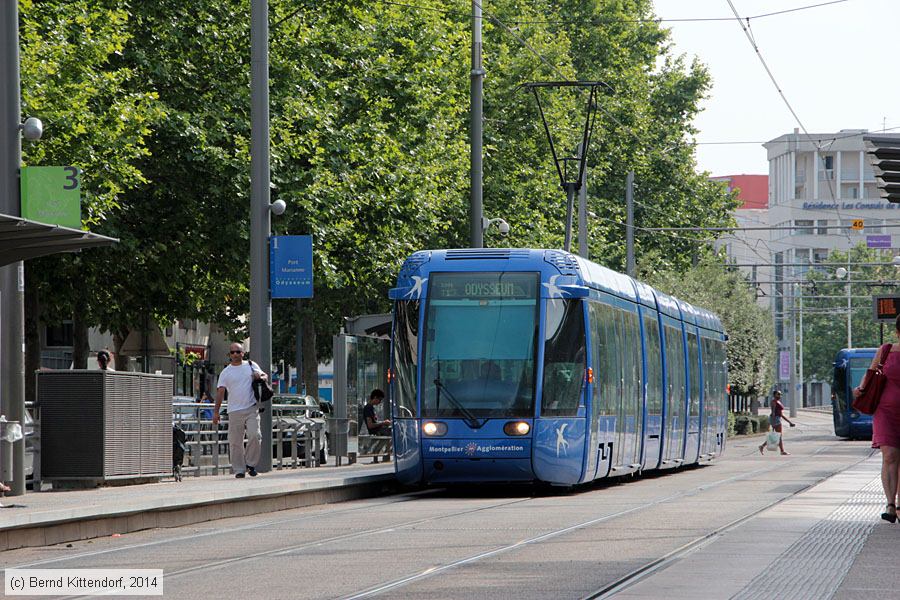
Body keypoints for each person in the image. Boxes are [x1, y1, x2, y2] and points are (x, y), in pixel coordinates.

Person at [854, 316, 900, 523]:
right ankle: (890, 504)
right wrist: (862, 389)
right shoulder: (886, 350)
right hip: (886, 411)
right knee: (890, 455)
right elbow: (872, 373)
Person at [214, 343, 267, 478]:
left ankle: (251, 464)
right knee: (235, 441)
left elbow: (265, 376)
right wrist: (216, 412)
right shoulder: (226, 372)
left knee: (255, 435)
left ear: (243, 353)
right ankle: (239, 469)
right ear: (229, 355)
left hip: (251, 408)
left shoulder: (250, 365)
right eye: (232, 352)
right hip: (234, 410)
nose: (235, 354)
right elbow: (220, 392)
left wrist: (259, 376)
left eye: (238, 352)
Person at [758, 390, 795, 456]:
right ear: (774, 395)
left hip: (777, 419)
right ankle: (782, 451)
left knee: (776, 436)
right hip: (775, 419)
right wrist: (773, 422)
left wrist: (789, 422)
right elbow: (773, 412)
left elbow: (781, 414)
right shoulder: (774, 402)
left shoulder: (778, 402)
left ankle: (762, 446)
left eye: (780, 394)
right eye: (778, 394)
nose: (779, 396)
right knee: (778, 436)